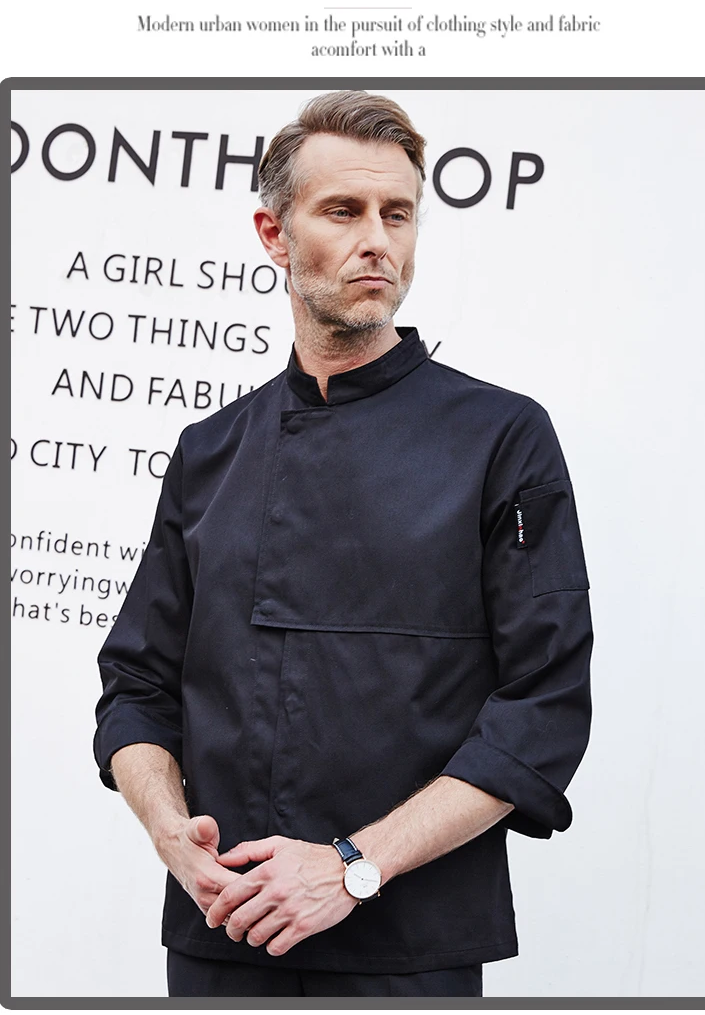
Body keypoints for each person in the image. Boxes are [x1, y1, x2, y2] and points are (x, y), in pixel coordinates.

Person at [93, 90, 594, 999]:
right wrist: (169, 833)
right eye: (343, 211)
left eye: (397, 214)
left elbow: (543, 707)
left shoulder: (502, 438)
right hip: (221, 936)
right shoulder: (209, 451)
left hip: (411, 950)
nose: (377, 241)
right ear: (274, 234)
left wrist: (353, 867)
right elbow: (136, 688)